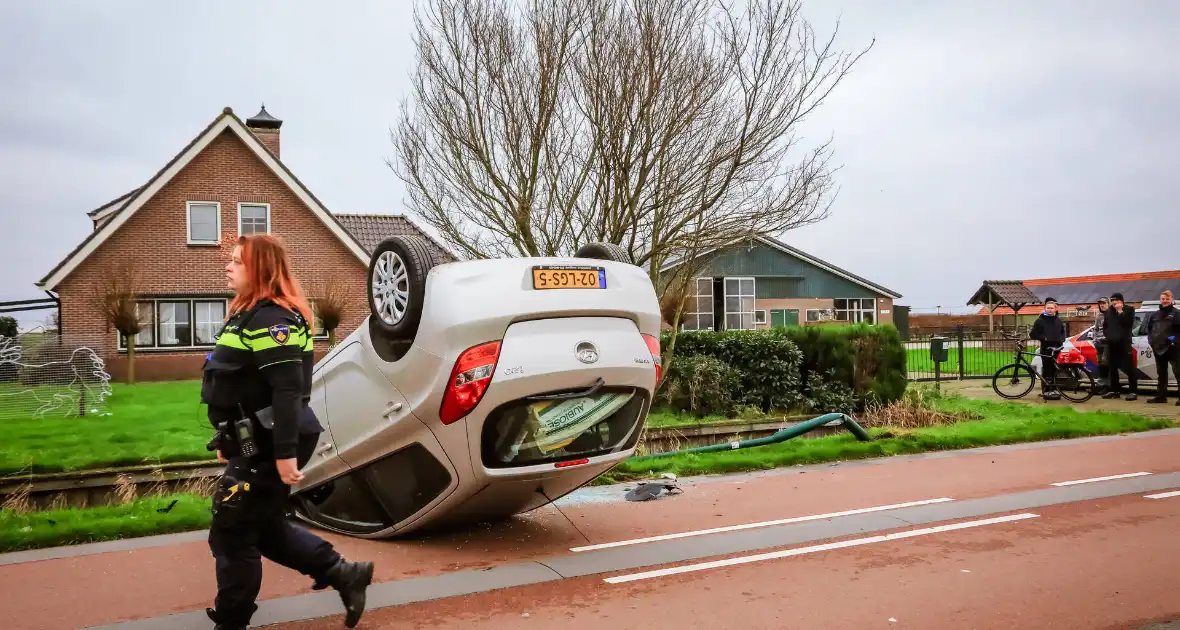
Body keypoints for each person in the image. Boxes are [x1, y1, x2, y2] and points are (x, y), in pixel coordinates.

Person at [202, 234, 374, 630]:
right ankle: (344, 574)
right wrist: (228, 440)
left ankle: (231, 622)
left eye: (237, 262)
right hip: (256, 441)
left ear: (260, 269)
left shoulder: (272, 320)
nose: (228, 267)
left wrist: (282, 455)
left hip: (272, 443)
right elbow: (243, 387)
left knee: (232, 533)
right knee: (261, 525)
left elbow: (286, 391)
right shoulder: (252, 315)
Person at [1143, 289, 1180, 405]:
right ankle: (1161, 396)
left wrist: (1173, 341)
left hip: (1173, 348)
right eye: (1163, 299)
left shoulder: (1177, 313)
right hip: (1158, 348)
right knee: (1161, 373)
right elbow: (1149, 329)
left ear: (1171, 300)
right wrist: (1151, 341)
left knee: (1178, 373)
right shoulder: (1154, 315)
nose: (1164, 301)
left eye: (1167, 299)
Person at [1102, 292, 1138, 401]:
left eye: (1116, 301)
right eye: (1112, 301)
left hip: (1124, 344)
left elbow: (1128, 324)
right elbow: (1105, 326)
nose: (1114, 303)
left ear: (1121, 301)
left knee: (1129, 368)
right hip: (1112, 344)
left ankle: (1133, 391)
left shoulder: (1129, 310)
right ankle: (1114, 391)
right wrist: (1108, 335)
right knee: (1112, 368)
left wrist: (1120, 311)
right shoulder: (1108, 312)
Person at [1029, 298, 1066, 400]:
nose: (1050, 310)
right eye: (1048, 308)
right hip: (1046, 348)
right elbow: (1033, 334)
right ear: (1045, 308)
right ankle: (1046, 391)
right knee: (1046, 370)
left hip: (1057, 348)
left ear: (1055, 309)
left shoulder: (1058, 320)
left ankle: (1055, 389)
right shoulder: (1040, 321)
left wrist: (1062, 339)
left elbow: (1063, 331)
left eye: (1051, 308)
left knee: (1055, 370)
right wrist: (1043, 338)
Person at [1093, 297, 1110, 393]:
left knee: (1106, 364)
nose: (1102, 305)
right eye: (1100, 303)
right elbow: (1095, 329)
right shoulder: (1099, 316)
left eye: (1104, 303)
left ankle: (1107, 386)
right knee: (1101, 365)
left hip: (1107, 343)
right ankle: (1100, 385)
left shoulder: (1111, 315)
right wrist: (1095, 340)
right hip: (1098, 343)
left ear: (1108, 304)